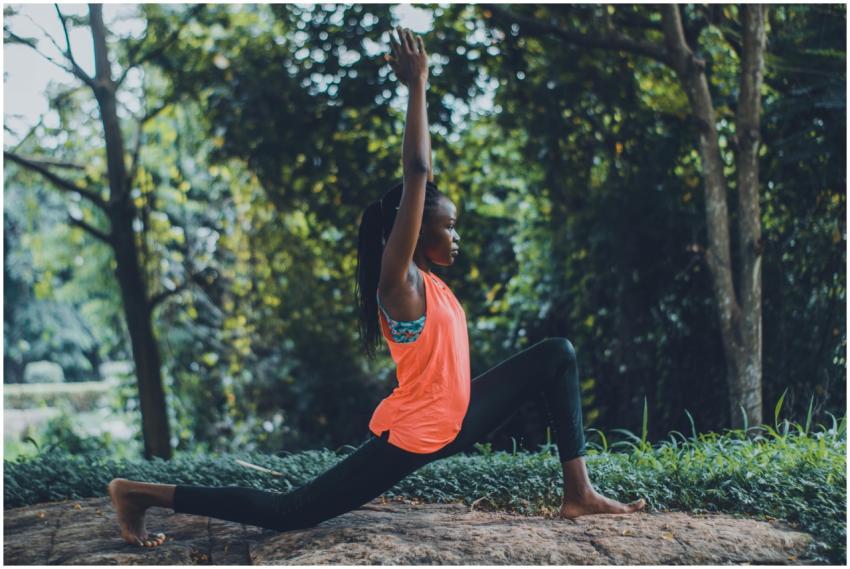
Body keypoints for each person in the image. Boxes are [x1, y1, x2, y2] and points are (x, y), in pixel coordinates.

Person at [108, 26, 645, 548]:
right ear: (413, 231)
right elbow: (416, 170)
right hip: (417, 434)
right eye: (447, 225)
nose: (455, 235)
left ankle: (579, 491)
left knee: (557, 354)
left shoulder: (430, 281)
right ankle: (138, 494)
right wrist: (418, 88)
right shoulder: (400, 281)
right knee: (289, 513)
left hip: (457, 416)